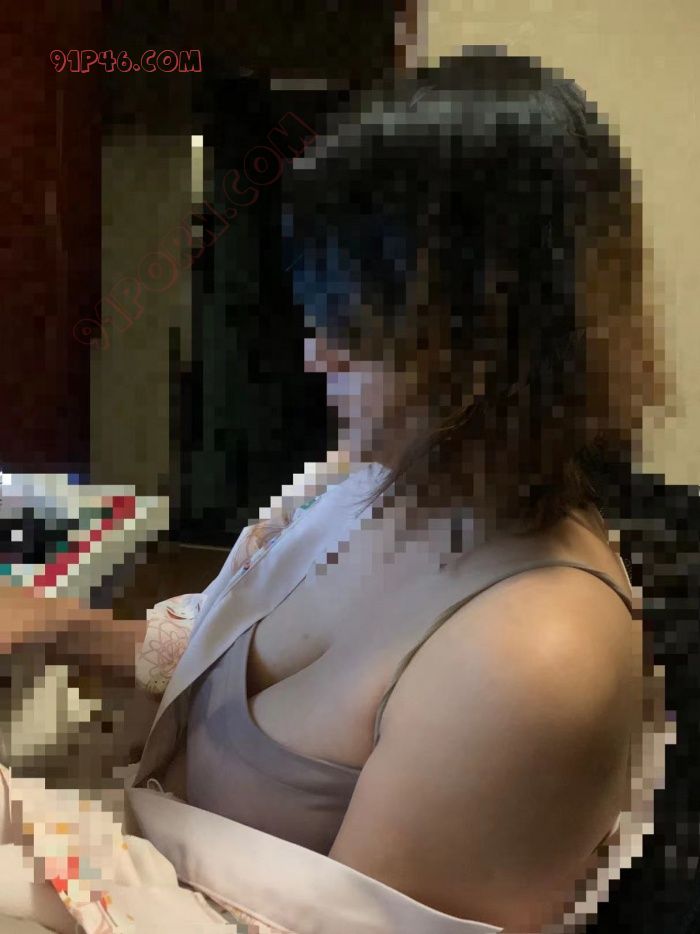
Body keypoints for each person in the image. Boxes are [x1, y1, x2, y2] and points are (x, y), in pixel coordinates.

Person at [2, 49, 668, 933]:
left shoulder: (532, 657)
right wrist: (53, 625)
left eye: (356, 325)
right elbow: (221, 655)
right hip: (142, 841)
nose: (315, 354)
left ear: (492, 343)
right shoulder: (373, 476)